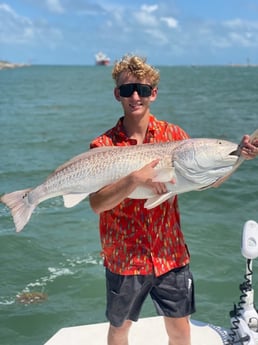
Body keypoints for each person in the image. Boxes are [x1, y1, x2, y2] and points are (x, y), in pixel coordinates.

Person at [89, 54, 258, 345]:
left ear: (153, 93)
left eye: (142, 89)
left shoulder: (175, 136)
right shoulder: (103, 145)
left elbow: (207, 182)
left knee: (180, 330)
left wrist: (238, 157)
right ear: (117, 94)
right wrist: (134, 180)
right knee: (120, 329)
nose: (135, 96)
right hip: (124, 257)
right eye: (127, 90)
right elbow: (97, 204)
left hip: (170, 253)